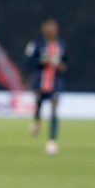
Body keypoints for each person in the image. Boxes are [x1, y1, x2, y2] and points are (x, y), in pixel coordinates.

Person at [25, 19, 68, 156]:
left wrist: (60, 65)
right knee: (38, 104)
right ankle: (36, 121)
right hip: (40, 82)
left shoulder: (62, 45)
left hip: (55, 83)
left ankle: (52, 141)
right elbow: (27, 61)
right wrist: (42, 61)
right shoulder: (36, 44)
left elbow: (66, 64)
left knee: (54, 108)